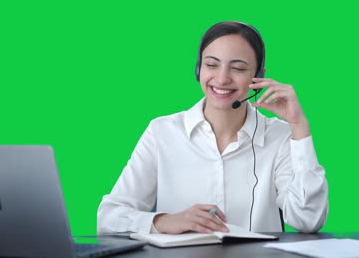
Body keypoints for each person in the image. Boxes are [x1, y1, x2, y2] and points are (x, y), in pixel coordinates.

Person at [97, 21, 328, 234]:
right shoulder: (161, 132)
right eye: (211, 65)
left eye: (237, 68)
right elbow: (108, 218)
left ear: (258, 77)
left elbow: (308, 220)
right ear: (199, 69)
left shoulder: (279, 136)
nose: (222, 78)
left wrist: (299, 126)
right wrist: (164, 221)